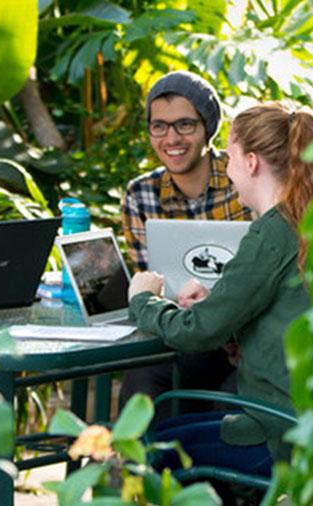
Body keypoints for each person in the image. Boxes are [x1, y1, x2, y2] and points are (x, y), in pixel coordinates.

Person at [128, 102, 313, 474]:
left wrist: (143, 300)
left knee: (151, 447)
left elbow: (197, 332)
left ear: (252, 162)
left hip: (284, 433)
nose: (227, 168)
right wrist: (217, 303)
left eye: (231, 157)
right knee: (178, 430)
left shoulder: (273, 232)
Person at [119, 71, 253, 421]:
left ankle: (215, 474)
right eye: (159, 126)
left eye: (184, 125)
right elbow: (149, 283)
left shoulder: (246, 180)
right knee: (143, 379)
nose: (171, 138)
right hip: (186, 337)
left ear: (207, 127)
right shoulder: (141, 195)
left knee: (227, 405)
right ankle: (137, 473)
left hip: (247, 342)